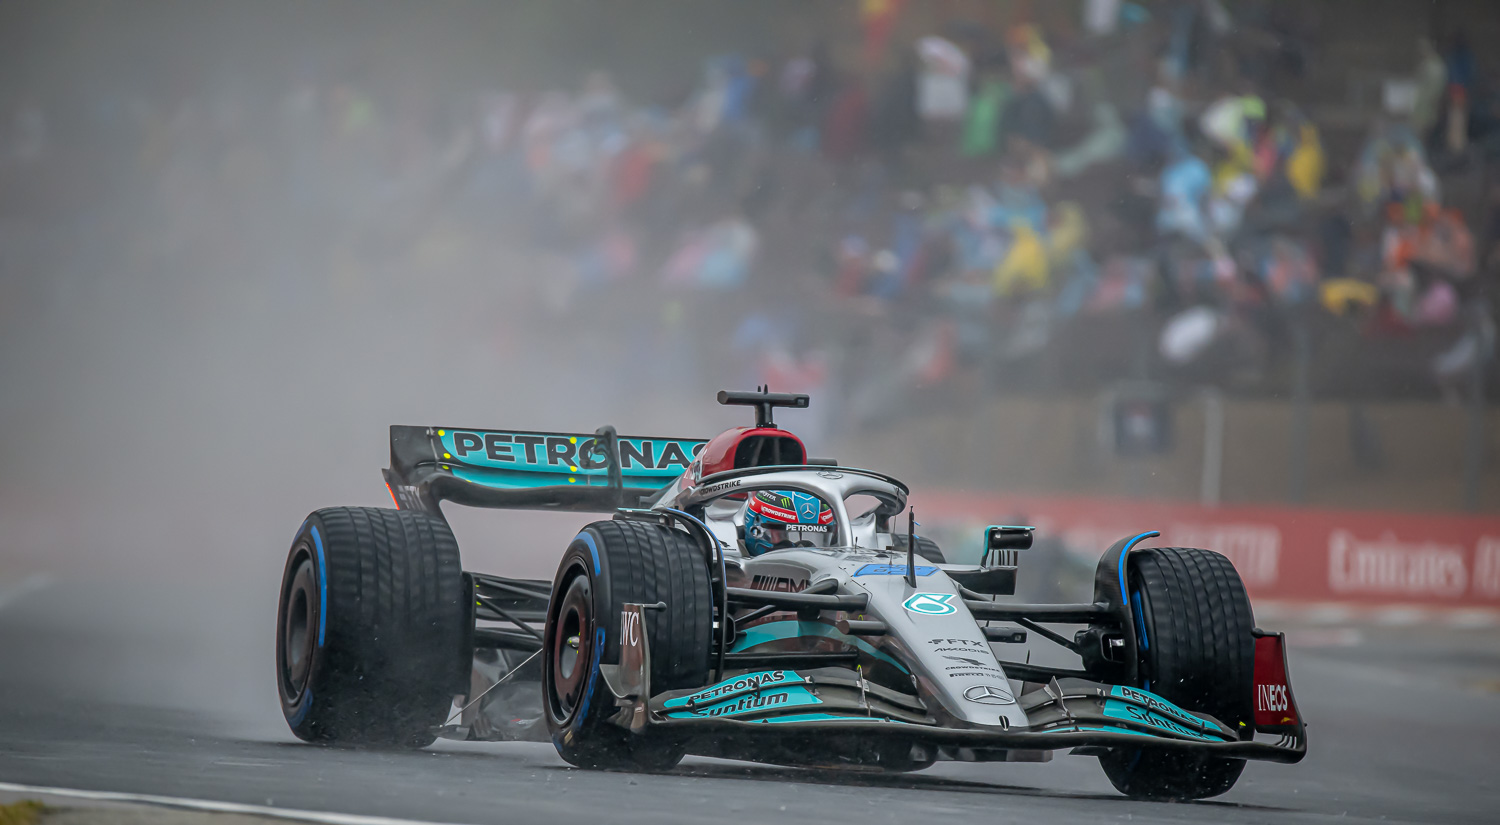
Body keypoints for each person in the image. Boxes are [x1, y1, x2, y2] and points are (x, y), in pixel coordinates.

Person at [740, 490, 836, 556]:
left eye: (811, 544)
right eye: (785, 543)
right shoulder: (731, 570)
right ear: (755, 531)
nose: (802, 551)